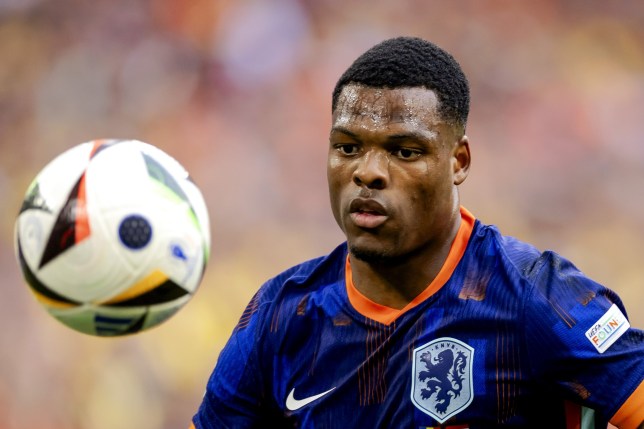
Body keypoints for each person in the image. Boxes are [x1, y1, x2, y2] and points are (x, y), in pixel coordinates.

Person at [190, 36, 644, 428]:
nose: (367, 173)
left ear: (458, 162)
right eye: (347, 147)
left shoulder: (536, 299)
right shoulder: (282, 315)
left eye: (404, 151)